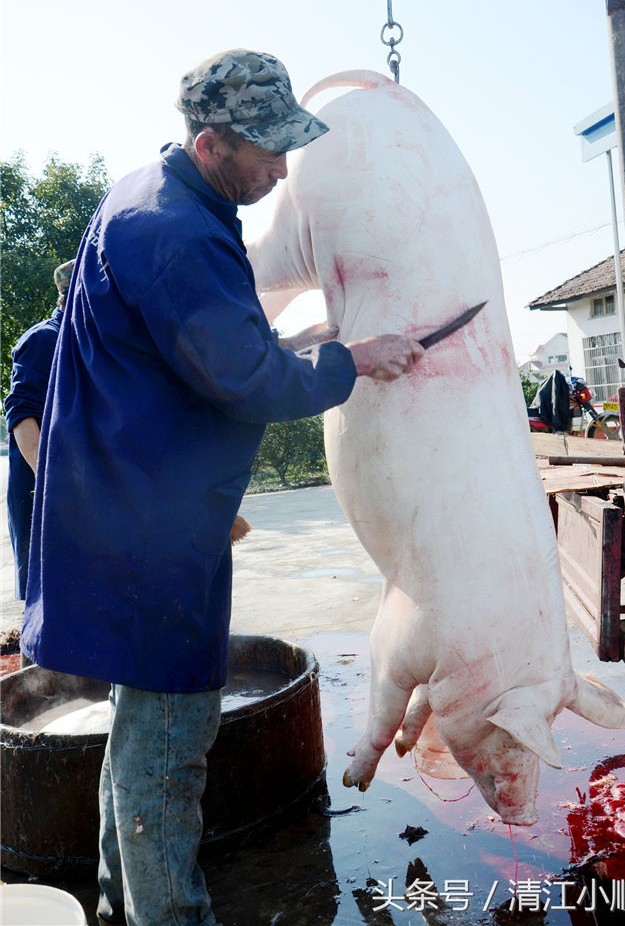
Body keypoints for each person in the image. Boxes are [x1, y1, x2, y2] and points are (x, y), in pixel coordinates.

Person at [20, 49, 423, 926]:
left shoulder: (153, 199)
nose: (282, 168)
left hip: (136, 514)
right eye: (268, 152)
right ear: (210, 144)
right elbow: (246, 377)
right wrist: (352, 359)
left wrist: (294, 344)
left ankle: (119, 908)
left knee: (138, 746)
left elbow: (210, 351)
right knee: (167, 753)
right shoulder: (174, 233)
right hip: (148, 541)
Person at [4, 259, 75, 600]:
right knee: (46, 595)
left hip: (77, 490)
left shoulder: (84, 342)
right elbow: (20, 413)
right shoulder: (43, 340)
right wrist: (52, 483)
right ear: (70, 295)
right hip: (43, 489)